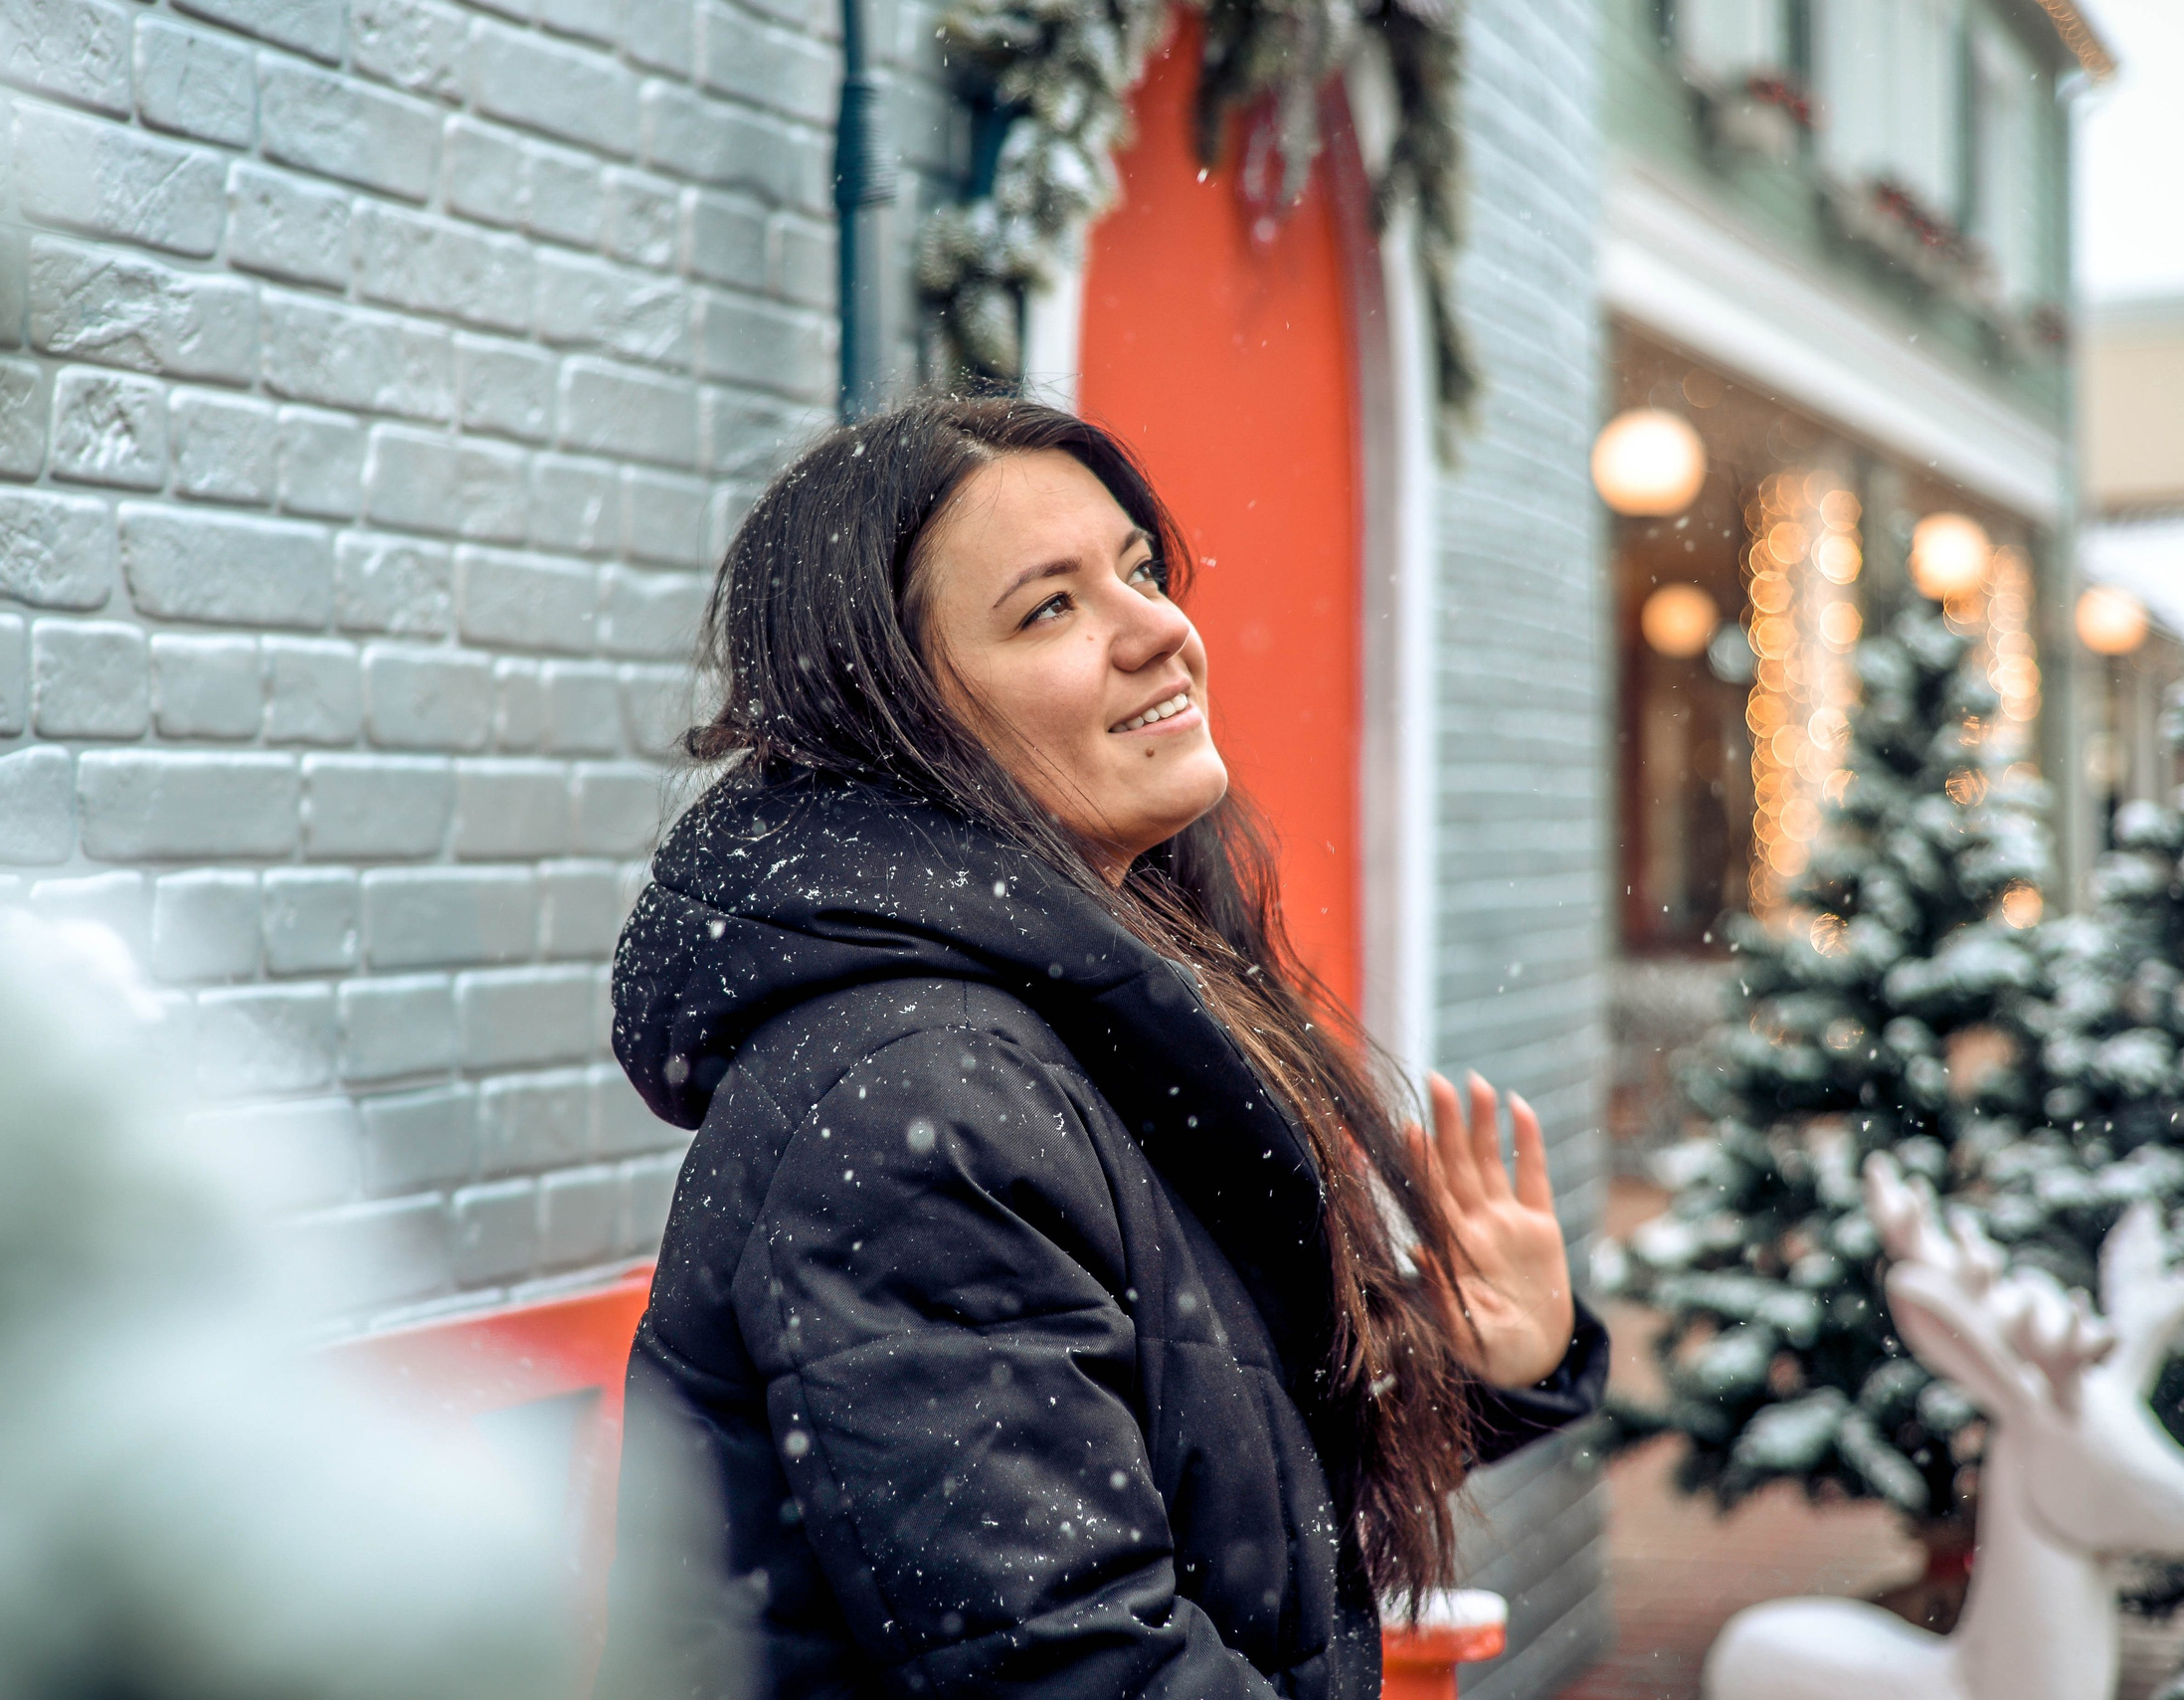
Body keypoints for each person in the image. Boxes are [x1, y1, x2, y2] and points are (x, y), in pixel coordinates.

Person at [609, 396, 1607, 1700]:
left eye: (1140, 572)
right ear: (892, 714)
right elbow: (1077, 1664)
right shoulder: (917, 1101)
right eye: (1050, 608)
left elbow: (1200, 1473)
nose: (1161, 630)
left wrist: (1468, 1364)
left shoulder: (1060, 1029)